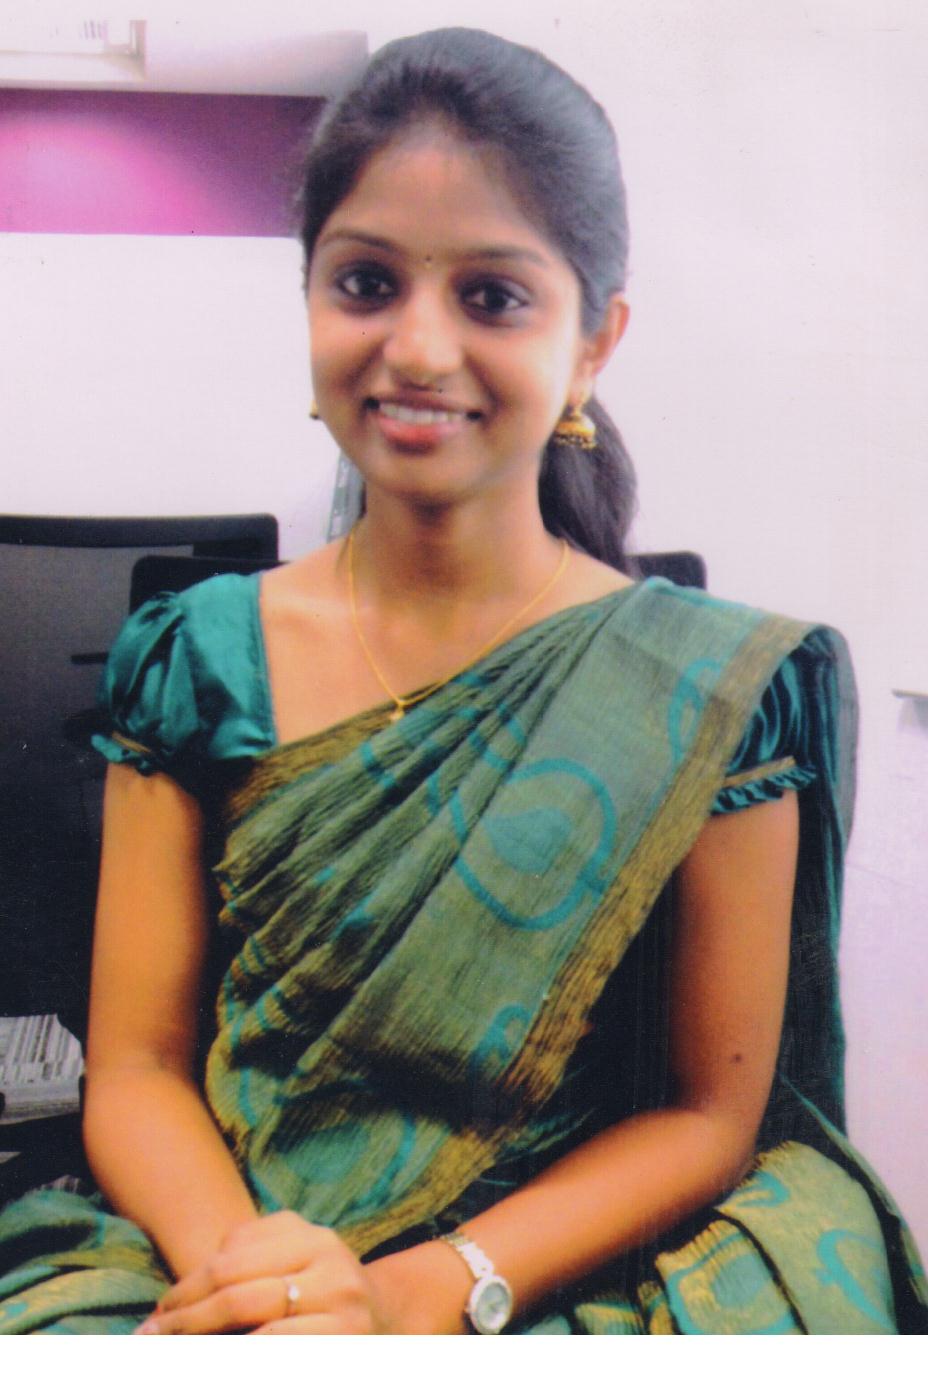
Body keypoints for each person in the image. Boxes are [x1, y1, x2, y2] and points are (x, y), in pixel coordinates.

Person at [0, 27, 924, 1336]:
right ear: (310, 303)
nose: (419, 348)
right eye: (365, 282)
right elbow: (139, 1064)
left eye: (492, 296)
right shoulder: (198, 657)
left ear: (593, 344)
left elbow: (707, 1110)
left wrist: (431, 1286)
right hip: (225, 1244)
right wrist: (266, 1291)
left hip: (564, 1267)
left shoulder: (716, 690)